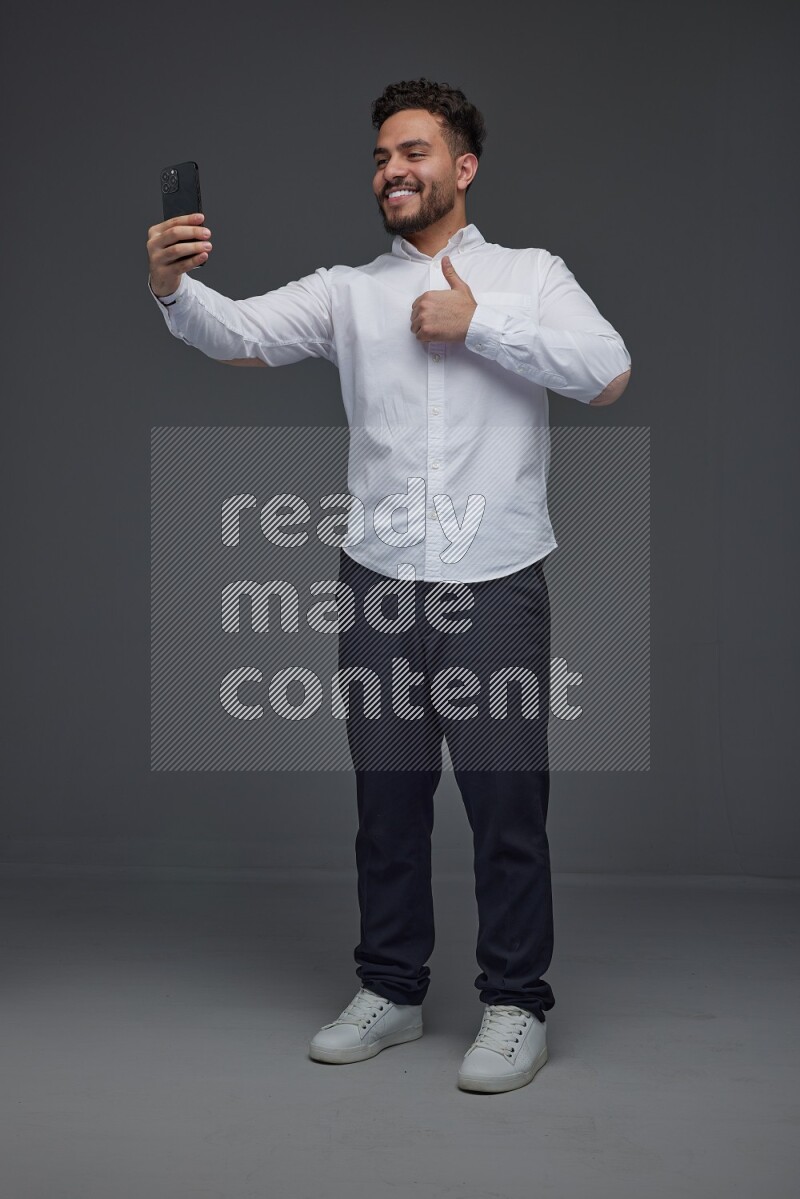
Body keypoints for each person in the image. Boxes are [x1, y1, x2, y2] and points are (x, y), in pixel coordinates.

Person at [145, 78, 631, 1094]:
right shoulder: (348, 291)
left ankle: (514, 1002)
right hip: (376, 584)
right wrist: (171, 290)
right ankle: (392, 988)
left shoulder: (528, 274)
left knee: (505, 801)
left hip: (493, 581)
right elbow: (236, 333)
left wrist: (477, 322)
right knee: (387, 801)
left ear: (462, 166)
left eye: (411, 151)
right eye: (379, 156)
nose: (391, 170)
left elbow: (605, 370)